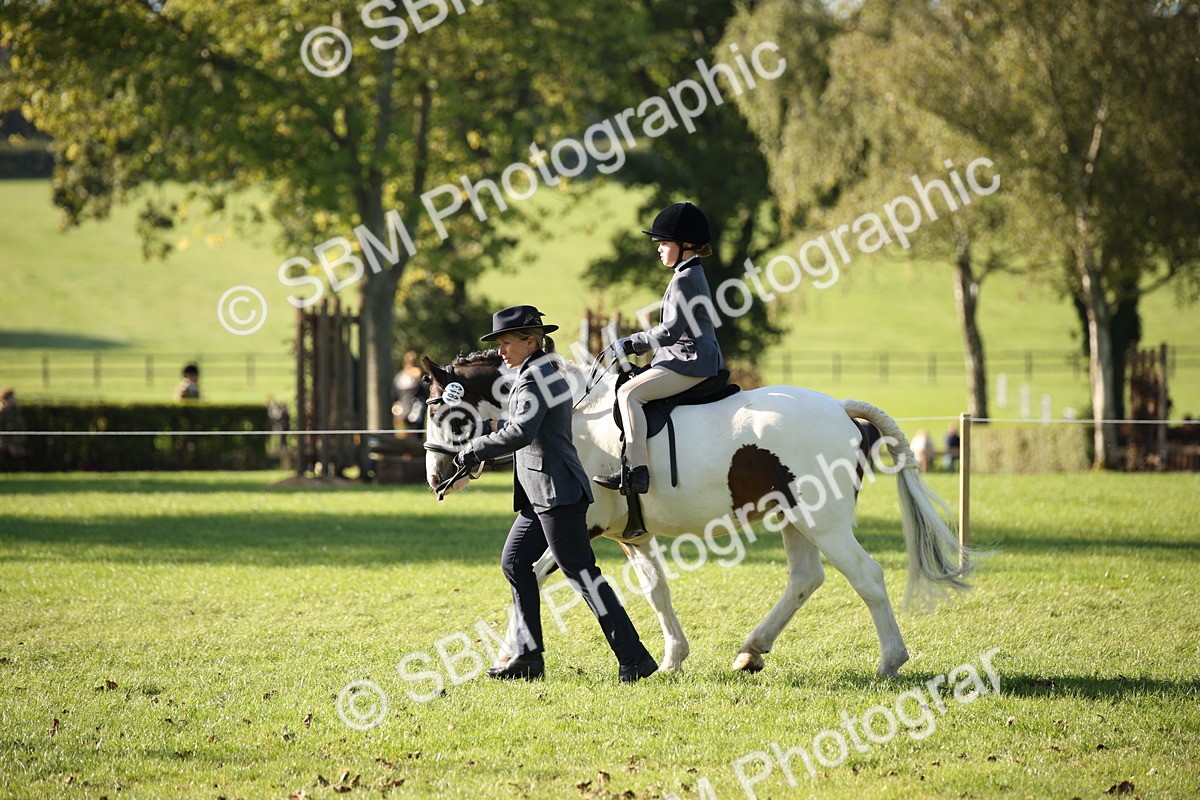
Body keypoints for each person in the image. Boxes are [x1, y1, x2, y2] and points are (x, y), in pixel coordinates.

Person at [453, 305, 659, 683]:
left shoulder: (536, 376)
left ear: (531, 341)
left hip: (555, 491)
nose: (501, 351)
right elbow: (524, 423)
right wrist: (489, 425)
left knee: (582, 575)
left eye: (506, 343)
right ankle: (528, 656)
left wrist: (476, 447)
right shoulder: (542, 370)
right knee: (515, 563)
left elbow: (523, 433)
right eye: (498, 344)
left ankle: (634, 658)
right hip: (541, 493)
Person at [593, 202, 725, 494]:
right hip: (686, 357)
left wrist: (629, 343)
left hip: (690, 361)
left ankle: (636, 471)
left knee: (629, 394)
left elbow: (669, 331)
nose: (659, 248)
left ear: (686, 245)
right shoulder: (689, 273)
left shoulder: (684, 280)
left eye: (664, 243)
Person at [392, 351, 428, 435]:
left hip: (417, 408)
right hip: (403, 411)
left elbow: (426, 389)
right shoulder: (400, 377)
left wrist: (419, 378)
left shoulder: (420, 375)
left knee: (416, 433)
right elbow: (395, 396)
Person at [0, 387, 29, 461]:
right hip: (4, 447)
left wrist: (17, 446)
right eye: (11, 398)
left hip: (17, 445)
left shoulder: (16, 412)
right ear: (5, 400)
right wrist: (9, 446)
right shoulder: (2, 415)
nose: (14, 400)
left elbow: (21, 430)